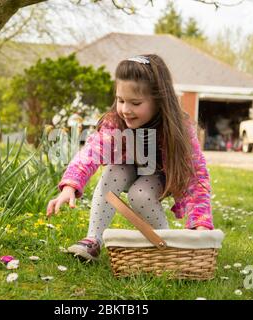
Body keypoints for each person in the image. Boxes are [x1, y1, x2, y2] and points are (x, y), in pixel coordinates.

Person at [46, 54, 213, 261]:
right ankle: (93, 240)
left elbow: (195, 176)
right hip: (126, 168)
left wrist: (200, 223)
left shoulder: (178, 130)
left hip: (158, 175)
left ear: (159, 101)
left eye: (135, 103)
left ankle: (168, 245)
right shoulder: (115, 123)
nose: (125, 109)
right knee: (114, 170)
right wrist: (70, 186)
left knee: (140, 194)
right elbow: (92, 152)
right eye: (120, 100)